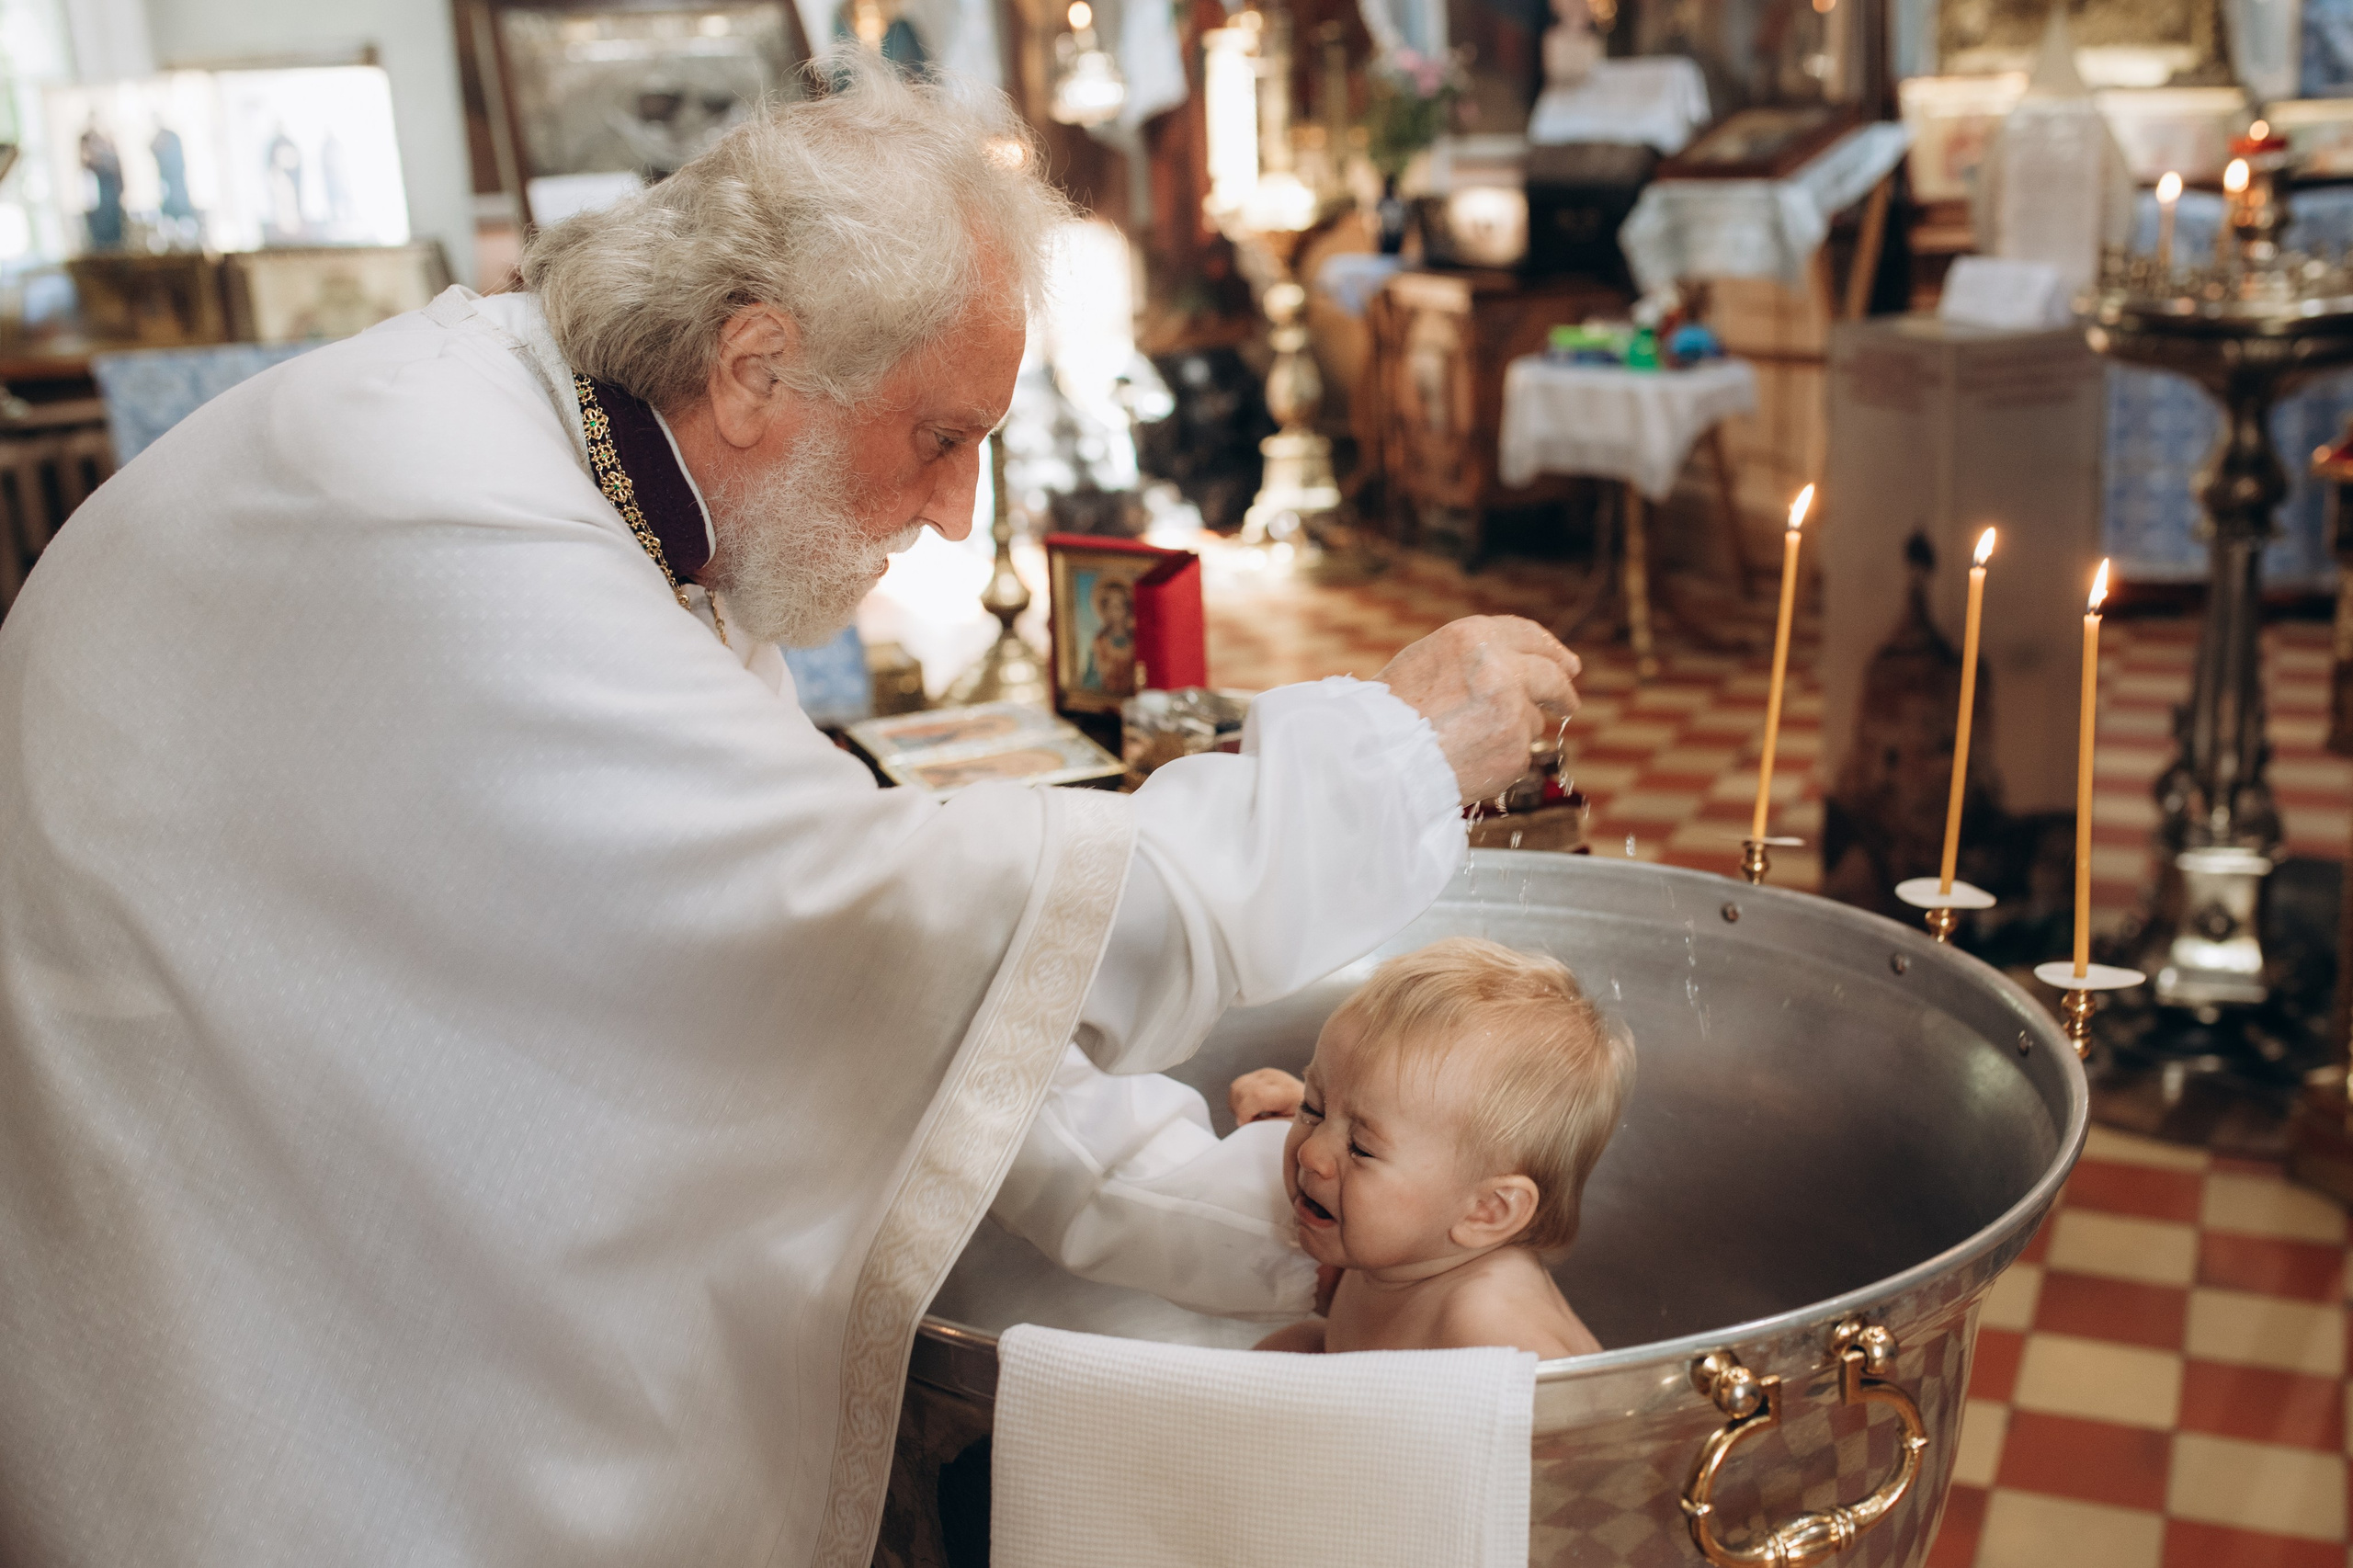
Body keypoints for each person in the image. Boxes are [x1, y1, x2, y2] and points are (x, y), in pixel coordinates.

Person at [0, 56, 1582, 1568]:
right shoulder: (436, 513)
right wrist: (1393, 753)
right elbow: (877, 913)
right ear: (758, 367)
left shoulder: (612, 492)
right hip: (244, 1304)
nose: (961, 508)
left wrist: (1297, 1199)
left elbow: (873, 995)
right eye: (940, 435)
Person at [1245, 937, 1634, 1359]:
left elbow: (1579, 1420)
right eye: (1315, 1108)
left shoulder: (1490, 1327)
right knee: (1291, 1348)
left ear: (1486, 1210)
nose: (1311, 1154)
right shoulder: (1409, 1247)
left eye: (1360, 1147)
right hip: (1377, 1392)